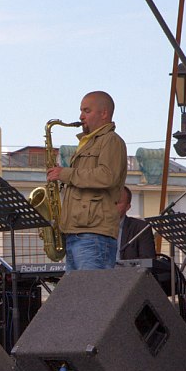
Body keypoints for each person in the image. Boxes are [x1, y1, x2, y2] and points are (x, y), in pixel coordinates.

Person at [47, 91, 127, 271]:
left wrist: (65, 174)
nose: (81, 116)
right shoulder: (87, 142)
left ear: (104, 113)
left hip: (94, 234)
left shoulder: (111, 140)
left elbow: (107, 176)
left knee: (93, 295)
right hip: (77, 233)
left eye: (87, 110)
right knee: (78, 297)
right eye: (81, 110)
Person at [117, 186, 156, 260]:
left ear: (127, 207)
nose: (113, 206)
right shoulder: (96, 227)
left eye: (117, 202)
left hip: (127, 271)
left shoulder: (141, 228)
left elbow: (147, 260)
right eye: (110, 202)